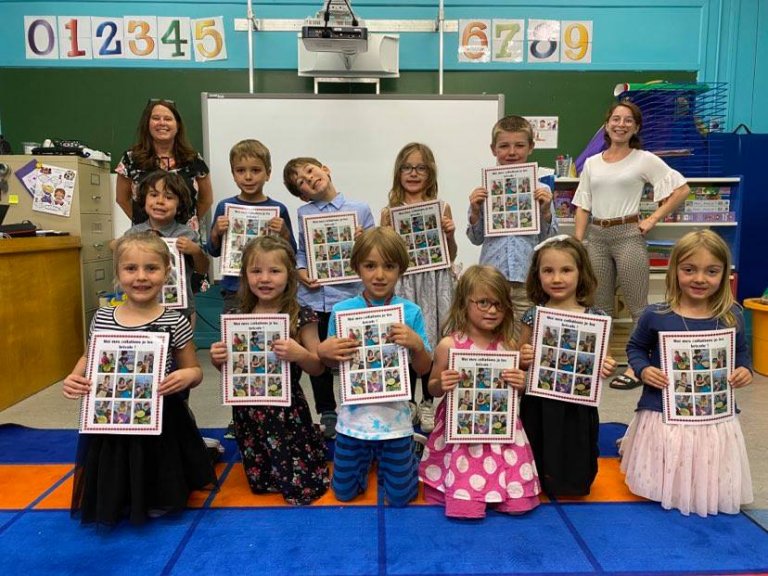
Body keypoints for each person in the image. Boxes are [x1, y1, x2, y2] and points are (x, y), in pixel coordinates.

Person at [62, 231, 216, 525]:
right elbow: (89, 357)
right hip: (110, 415)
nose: (141, 277)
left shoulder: (174, 320)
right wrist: (74, 377)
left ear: (167, 272)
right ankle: (119, 497)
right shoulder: (104, 317)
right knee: (115, 459)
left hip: (161, 414)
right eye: (131, 268)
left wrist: (186, 376)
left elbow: (194, 370)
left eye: (151, 268)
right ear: (118, 273)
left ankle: (157, 495)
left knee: (156, 462)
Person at [620, 230, 752, 516]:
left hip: (713, 414)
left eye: (711, 271)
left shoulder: (732, 316)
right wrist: (643, 370)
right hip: (663, 410)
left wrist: (744, 371)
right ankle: (664, 484)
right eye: (689, 270)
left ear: (725, 274)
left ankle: (703, 488)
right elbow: (635, 348)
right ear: (675, 270)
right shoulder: (656, 314)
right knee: (670, 454)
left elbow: (742, 355)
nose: (700, 279)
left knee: (705, 458)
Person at [572, 100, 690, 390]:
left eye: (628, 120)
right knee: (599, 307)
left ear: (636, 127)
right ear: (607, 124)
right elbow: (583, 205)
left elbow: (681, 189)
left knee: (639, 306)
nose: (620, 124)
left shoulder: (643, 159)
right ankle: (603, 361)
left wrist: (652, 220)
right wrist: (577, 243)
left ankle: (638, 367)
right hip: (597, 237)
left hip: (628, 235)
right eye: (615, 118)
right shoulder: (591, 163)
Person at [210, 236, 330, 505]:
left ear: (290, 275)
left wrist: (299, 353)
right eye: (256, 271)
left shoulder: (301, 314)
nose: (265, 279)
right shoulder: (237, 315)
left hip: (287, 409)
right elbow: (230, 372)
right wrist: (219, 359)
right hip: (248, 409)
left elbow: (318, 366)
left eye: (274, 271)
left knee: (299, 480)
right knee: (261, 480)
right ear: (245, 275)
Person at [317, 227, 432, 506]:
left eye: (389, 266)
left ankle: (409, 451)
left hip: (396, 420)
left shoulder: (410, 312)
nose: (379, 275)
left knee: (401, 498)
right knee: (342, 493)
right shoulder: (343, 311)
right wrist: (325, 351)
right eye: (370, 266)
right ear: (357, 267)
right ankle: (365, 462)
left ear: (400, 269)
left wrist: (416, 344)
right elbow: (331, 362)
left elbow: (424, 367)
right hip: (352, 420)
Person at [419, 265, 541, 518]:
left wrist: (521, 384)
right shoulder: (449, 345)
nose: (493, 310)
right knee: (465, 507)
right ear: (464, 304)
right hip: (461, 429)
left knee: (518, 506)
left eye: (499, 304)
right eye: (483, 302)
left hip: (500, 428)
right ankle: (465, 491)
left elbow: (512, 394)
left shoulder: (508, 346)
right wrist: (443, 382)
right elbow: (432, 387)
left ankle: (503, 490)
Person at [283, 156, 376, 439]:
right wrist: (300, 273)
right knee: (318, 356)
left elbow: (374, 253)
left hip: (349, 297)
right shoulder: (303, 212)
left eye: (310, 171)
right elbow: (300, 251)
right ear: (302, 194)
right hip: (314, 297)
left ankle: (356, 402)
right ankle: (327, 410)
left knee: (351, 352)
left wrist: (363, 241)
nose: (309, 178)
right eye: (302, 181)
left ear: (326, 169)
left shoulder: (359, 209)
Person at [209, 139, 296, 439]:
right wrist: (217, 231)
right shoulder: (224, 207)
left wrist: (283, 231)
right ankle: (240, 416)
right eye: (241, 170)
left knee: (272, 353)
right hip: (235, 292)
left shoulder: (278, 208)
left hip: (273, 296)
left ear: (268, 173)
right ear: (233, 174)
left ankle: (279, 406)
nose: (248, 176)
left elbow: (291, 251)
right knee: (238, 357)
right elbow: (213, 250)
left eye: (255, 170)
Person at [518, 235, 616, 496]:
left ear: (580, 272)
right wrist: (524, 357)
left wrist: (605, 366)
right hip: (538, 401)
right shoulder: (533, 314)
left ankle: (574, 479)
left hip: (578, 404)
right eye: (548, 271)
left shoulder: (596, 317)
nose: (556, 278)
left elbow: (601, 361)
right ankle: (537, 479)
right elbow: (520, 359)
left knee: (576, 446)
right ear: (537, 274)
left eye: (566, 270)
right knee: (539, 442)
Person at [380, 143, 457, 433]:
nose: (413, 173)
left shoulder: (442, 207)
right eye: (407, 167)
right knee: (404, 338)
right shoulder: (389, 212)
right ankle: (407, 401)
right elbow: (384, 254)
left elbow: (451, 254)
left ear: (430, 173)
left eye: (420, 167)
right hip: (405, 281)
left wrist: (448, 235)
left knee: (430, 338)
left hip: (435, 281)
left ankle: (427, 401)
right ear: (399, 172)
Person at [467, 115, 559, 341]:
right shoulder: (485, 190)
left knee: (522, 340)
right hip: (491, 279)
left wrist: (546, 211)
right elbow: (475, 239)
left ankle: (519, 377)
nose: (512, 152)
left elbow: (552, 242)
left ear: (530, 147)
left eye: (519, 145)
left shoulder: (540, 191)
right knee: (489, 338)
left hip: (526, 282)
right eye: (504, 146)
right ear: (493, 149)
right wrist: (475, 212)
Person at [120, 170, 209, 326]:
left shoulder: (187, 234)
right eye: (153, 195)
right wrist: (117, 245)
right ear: (144, 199)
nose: (160, 201)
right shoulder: (133, 234)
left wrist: (195, 251)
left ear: (179, 204)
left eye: (168, 197)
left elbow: (203, 269)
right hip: (141, 307)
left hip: (179, 310)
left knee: (181, 347)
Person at [116, 99, 213, 230]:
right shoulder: (131, 159)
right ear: (148, 124)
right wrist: (142, 222)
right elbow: (122, 199)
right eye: (156, 118)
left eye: (168, 119)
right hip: (146, 238)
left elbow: (206, 200)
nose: (162, 123)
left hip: (185, 240)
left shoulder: (193, 159)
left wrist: (189, 222)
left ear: (177, 125)